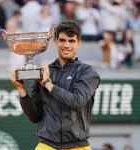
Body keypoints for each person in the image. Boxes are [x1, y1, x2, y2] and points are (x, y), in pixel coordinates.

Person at [11, 21, 100, 150]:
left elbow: (77, 102)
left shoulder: (87, 72)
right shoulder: (44, 72)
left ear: (78, 43)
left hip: (77, 145)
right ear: (56, 41)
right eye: (62, 40)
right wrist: (21, 90)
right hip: (47, 144)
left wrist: (47, 83)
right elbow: (35, 117)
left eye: (71, 41)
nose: (66, 45)